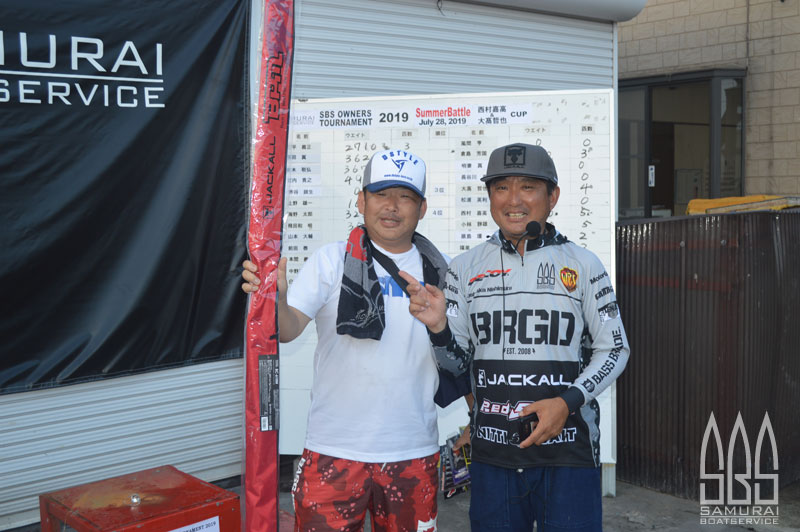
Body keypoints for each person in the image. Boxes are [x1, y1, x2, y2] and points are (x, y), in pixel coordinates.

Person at [401, 143, 630, 532]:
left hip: (569, 456)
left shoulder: (583, 264)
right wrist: (439, 330)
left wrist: (567, 402)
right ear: (490, 196)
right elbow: (456, 364)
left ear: (552, 196)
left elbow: (615, 349)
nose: (513, 200)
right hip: (493, 457)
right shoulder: (464, 268)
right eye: (501, 187)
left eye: (528, 187)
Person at [242, 149, 469, 532]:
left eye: (405, 197)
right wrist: (275, 300)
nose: (392, 206)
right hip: (333, 452)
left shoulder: (444, 273)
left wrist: (440, 326)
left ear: (422, 208)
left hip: (412, 452)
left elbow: (461, 361)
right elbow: (289, 328)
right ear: (362, 201)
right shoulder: (330, 261)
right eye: (381, 194)